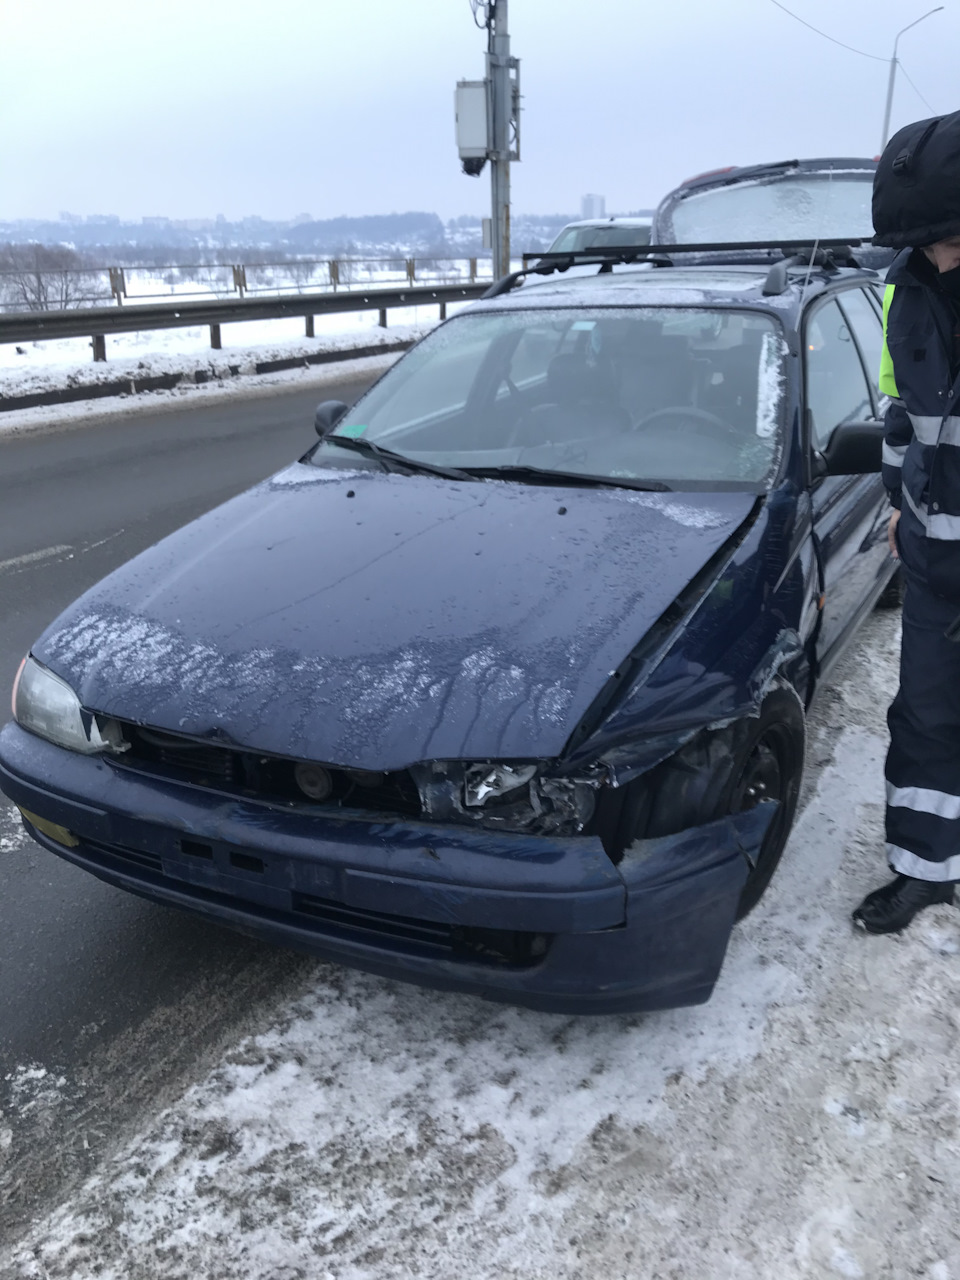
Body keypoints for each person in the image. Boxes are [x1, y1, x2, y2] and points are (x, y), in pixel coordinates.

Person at [853, 109, 960, 934]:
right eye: (922, 242)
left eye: (946, 239)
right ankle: (926, 868)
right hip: (933, 551)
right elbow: (902, 412)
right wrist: (899, 504)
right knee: (925, 713)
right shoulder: (907, 285)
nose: (936, 255)